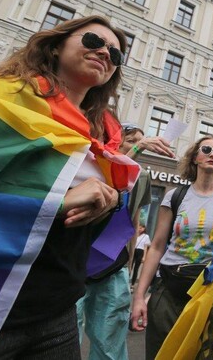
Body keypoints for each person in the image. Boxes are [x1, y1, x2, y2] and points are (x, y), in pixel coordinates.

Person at [0, 15, 141, 357]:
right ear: (56, 47)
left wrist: (110, 198)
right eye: (93, 42)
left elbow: (95, 214)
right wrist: (57, 202)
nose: (104, 53)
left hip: (59, 309)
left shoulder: (101, 135)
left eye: (115, 55)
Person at [129, 135, 213, 360]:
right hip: (169, 290)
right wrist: (140, 296)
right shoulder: (175, 196)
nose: (212, 154)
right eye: (206, 149)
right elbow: (157, 247)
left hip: (208, 293)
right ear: (195, 158)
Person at [75, 123, 171, 360]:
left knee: (110, 343)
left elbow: (134, 216)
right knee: (67, 335)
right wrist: (137, 149)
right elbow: (113, 180)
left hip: (113, 265)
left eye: (140, 139)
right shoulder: (92, 165)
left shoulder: (143, 176)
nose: (138, 142)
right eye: (130, 140)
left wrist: (128, 264)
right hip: (76, 262)